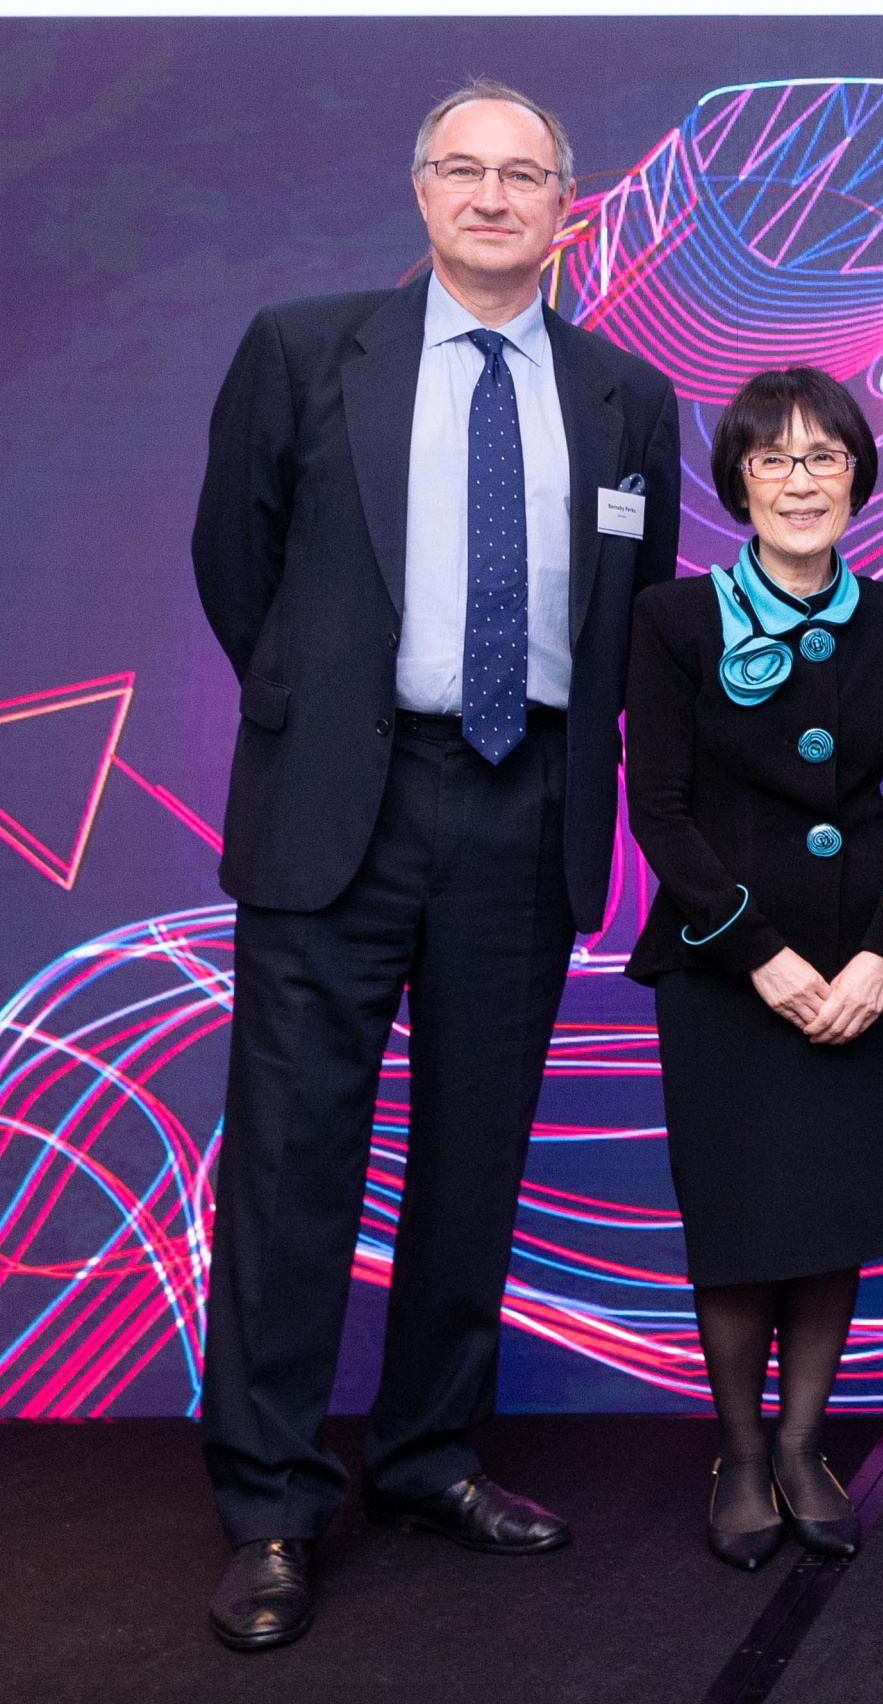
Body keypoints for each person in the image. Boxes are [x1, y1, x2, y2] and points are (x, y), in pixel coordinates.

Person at [189, 81, 681, 1651]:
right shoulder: (300, 348)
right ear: (419, 194)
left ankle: (424, 1458)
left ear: (564, 205)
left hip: (523, 805)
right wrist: (321, 705)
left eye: (521, 174)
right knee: (289, 1169)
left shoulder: (625, 399)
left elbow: (632, 606)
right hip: (344, 800)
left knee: (475, 1158)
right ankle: (270, 1506)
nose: (490, 196)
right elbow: (237, 563)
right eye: (461, 170)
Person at [622, 368, 883, 1570]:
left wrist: (881, 956)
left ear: (859, 477)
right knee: (744, 1217)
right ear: (739, 480)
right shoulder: (672, 619)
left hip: (867, 964)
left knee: (831, 1214)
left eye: (824, 457)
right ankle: (743, 1453)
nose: (801, 480)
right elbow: (656, 808)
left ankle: (808, 1444)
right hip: (726, 968)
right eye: (775, 459)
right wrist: (758, 954)